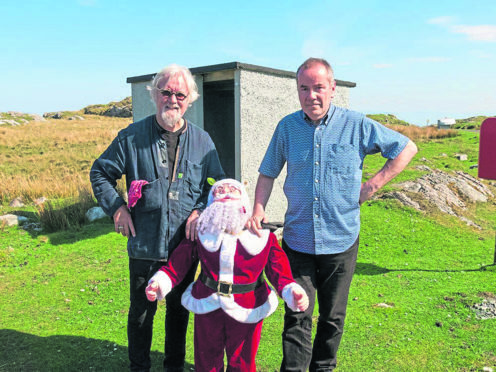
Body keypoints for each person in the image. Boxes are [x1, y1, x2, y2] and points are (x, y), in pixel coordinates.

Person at [246, 57, 418, 371]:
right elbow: (268, 172)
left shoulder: (357, 124)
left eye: (319, 87)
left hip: (341, 242)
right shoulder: (287, 127)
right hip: (297, 242)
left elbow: (406, 148)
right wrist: (258, 208)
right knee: (297, 314)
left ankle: (323, 367)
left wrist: (371, 186)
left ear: (333, 88)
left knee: (332, 317)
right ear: (297, 91)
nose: (312, 95)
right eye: (304, 88)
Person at [90, 64, 225, 372]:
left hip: (184, 246)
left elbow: (218, 186)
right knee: (141, 312)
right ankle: (139, 367)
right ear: (154, 95)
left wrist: (200, 209)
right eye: (166, 92)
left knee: (178, 312)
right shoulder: (131, 137)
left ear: (190, 99)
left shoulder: (203, 142)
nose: (172, 99)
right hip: (144, 243)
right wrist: (117, 207)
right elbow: (100, 172)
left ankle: (173, 367)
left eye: (180, 94)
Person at [145, 178, 309, 372]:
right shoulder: (201, 233)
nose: (225, 198)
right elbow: (179, 263)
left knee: (242, 363)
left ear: (244, 204)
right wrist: (160, 281)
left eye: (232, 194)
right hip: (207, 304)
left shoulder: (264, 237)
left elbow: (278, 270)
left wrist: (291, 290)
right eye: (219, 194)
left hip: (249, 306)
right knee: (206, 362)